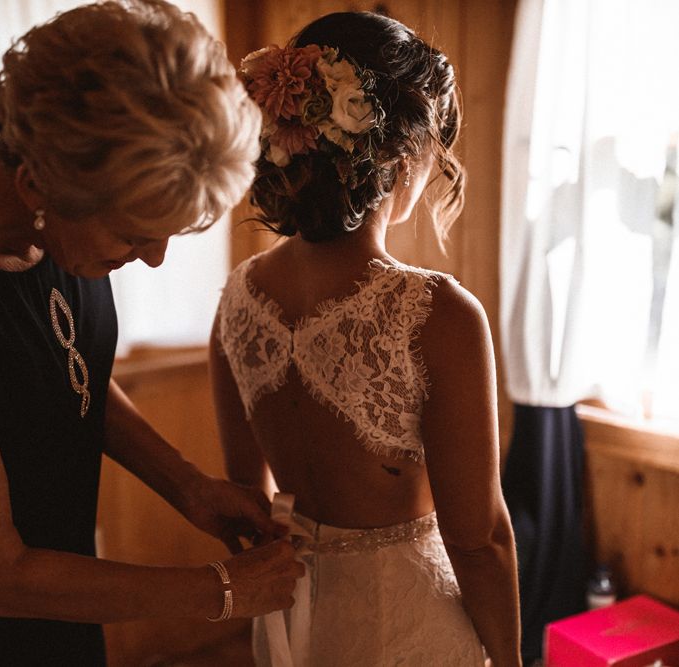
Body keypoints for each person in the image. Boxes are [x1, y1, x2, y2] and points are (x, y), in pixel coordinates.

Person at [0, 1, 305, 664]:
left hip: (61, 611)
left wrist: (187, 483)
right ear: (37, 183)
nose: (154, 259)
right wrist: (220, 590)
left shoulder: (59, 224)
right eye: (135, 235)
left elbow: (62, 370)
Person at [210, 11, 522, 667]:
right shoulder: (436, 312)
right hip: (405, 621)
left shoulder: (238, 296)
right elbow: (479, 536)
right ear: (402, 152)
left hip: (293, 613)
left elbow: (248, 491)